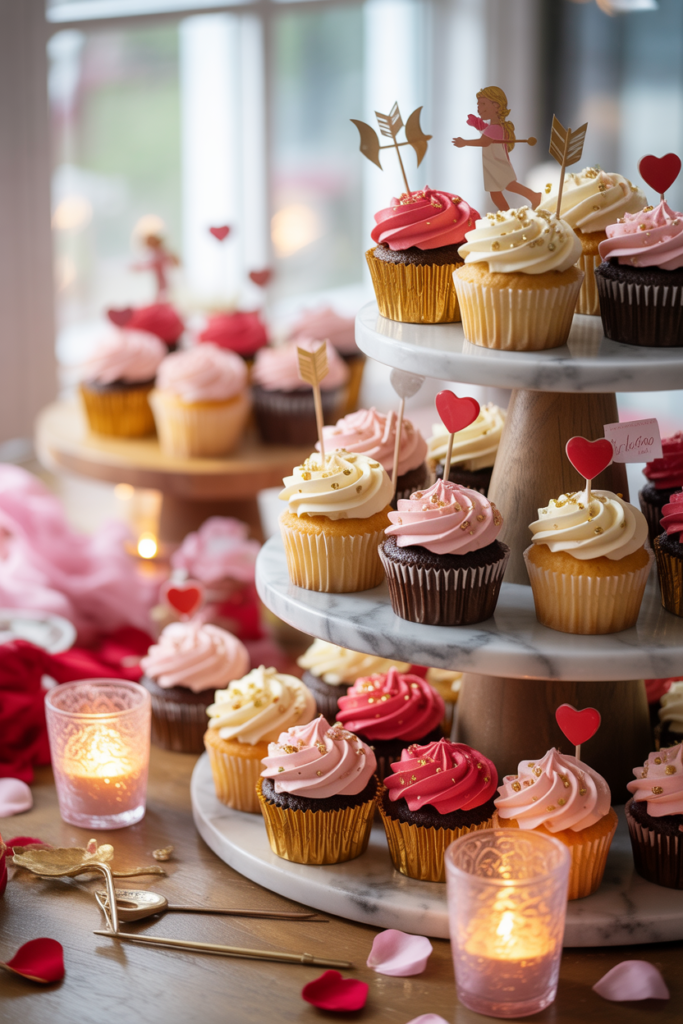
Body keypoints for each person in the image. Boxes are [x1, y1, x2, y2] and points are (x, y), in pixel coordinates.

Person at [453, 86, 541, 212]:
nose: (479, 107)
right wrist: (476, 123)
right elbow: (484, 130)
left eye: (483, 104)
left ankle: (528, 200)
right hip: (493, 163)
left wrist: (465, 142)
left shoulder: (495, 128)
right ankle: (508, 211)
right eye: (478, 104)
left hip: (496, 163)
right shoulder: (494, 127)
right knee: (500, 189)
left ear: (496, 106)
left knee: (506, 187)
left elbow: (484, 142)